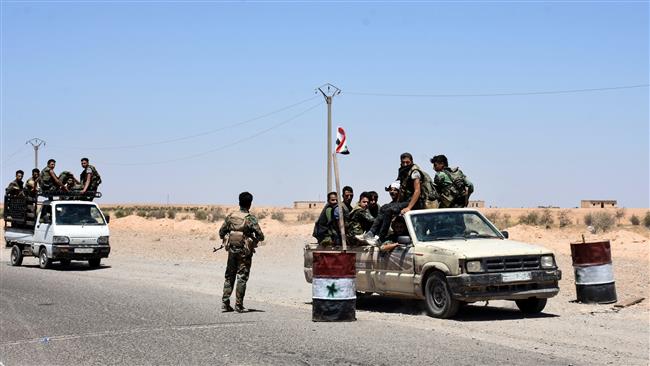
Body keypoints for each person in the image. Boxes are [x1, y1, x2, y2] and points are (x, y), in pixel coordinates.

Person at [361, 153, 425, 245]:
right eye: (403, 162)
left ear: (412, 161)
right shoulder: (404, 171)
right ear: (401, 163)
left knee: (389, 210)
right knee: (384, 208)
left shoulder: (415, 172)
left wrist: (409, 207)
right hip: (406, 201)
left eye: (408, 162)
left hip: (415, 202)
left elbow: (417, 191)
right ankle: (371, 233)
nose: (406, 164)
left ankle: (381, 238)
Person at [219, 192, 265, 313]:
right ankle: (239, 306)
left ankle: (225, 304)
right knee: (242, 277)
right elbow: (261, 236)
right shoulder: (250, 218)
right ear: (250, 204)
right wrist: (252, 238)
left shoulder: (231, 216)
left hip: (232, 250)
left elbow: (221, 232)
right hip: (244, 252)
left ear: (239, 202)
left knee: (229, 276)